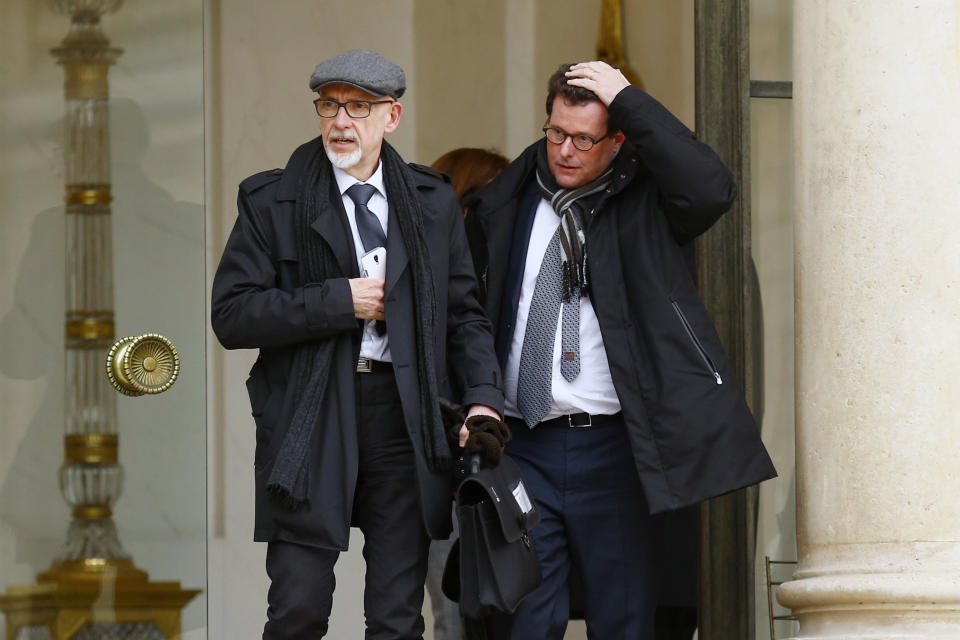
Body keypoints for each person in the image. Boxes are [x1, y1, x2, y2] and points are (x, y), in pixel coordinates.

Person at [465, 60, 777, 638]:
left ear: (617, 141)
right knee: (528, 620)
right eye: (556, 132)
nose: (565, 151)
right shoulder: (510, 201)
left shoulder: (644, 203)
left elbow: (711, 187)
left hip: (610, 448)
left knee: (623, 618)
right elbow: (473, 315)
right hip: (523, 441)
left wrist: (629, 98)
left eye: (584, 139)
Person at [211, 49, 503, 640]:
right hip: (310, 419)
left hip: (406, 418)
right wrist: (338, 302)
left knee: (397, 619)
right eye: (329, 105)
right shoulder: (272, 201)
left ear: (391, 116)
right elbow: (233, 315)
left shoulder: (432, 200)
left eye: (359, 107)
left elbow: (464, 316)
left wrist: (482, 400)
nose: (341, 121)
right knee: (298, 609)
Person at [423, 147, 509, 640]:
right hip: (451, 468)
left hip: (500, 469)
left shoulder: (499, 276)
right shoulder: (439, 281)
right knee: (455, 615)